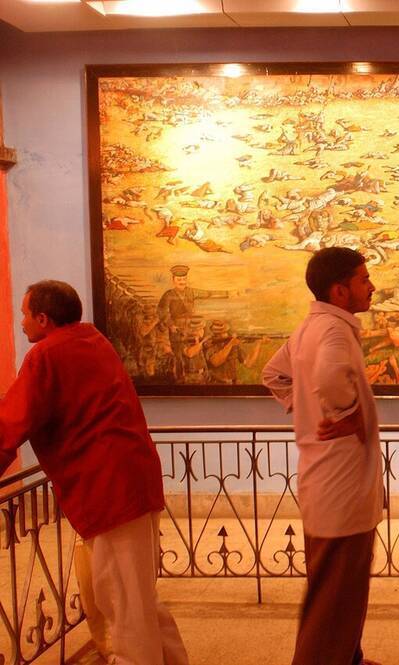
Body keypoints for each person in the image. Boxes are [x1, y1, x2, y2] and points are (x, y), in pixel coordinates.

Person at [0, 280, 189, 665]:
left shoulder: (47, 355)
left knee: (122, 602)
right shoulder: (91, 339)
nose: (21, 323)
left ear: (43, 318)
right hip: (131, 479)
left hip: (107, 487)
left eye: (24, 314)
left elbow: (12, 421)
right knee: (136, 595)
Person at [261, 247, 383, 665]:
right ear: (340, 290)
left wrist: (307, 407)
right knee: (332, 602)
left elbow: (273, 374)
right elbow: (330, 376)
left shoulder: (309, 329)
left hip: (325, 483)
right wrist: (347, 414)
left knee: (337, 594)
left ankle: (350, 657)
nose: (372, 287)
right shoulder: (331, 332)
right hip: (341, 489)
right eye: (364, 280)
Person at [156, 265, 228, 381]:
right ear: (173, 280)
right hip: (177, 332)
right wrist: (171, 325)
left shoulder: (191, 292)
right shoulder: (168, 295)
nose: (182, 282)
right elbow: (161, 312)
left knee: (198, 351)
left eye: (184, 279)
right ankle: (180, 379)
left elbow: (207, 294)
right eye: (179, 279)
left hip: (192, 328)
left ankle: (203, 374)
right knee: (180, 357)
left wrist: (227, 293)